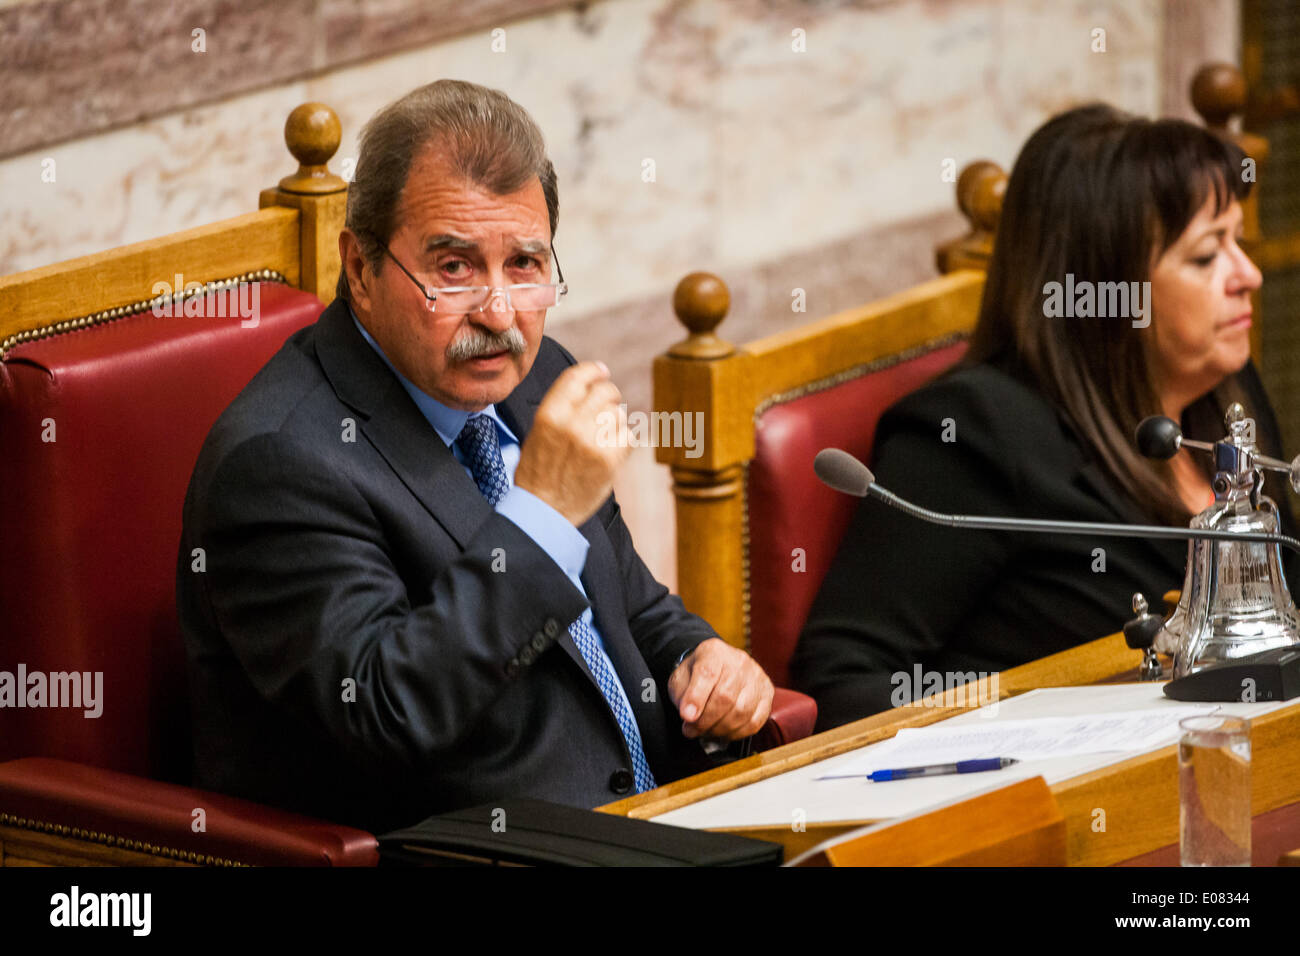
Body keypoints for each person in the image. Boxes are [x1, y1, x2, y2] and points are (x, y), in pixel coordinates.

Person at [177, 79, 773, 833]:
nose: (497, 314)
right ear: (360, 269)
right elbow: (386, 708)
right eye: (453, 268)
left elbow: (626, 603)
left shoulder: (540, 378)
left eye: (524, 263)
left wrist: (700, 658)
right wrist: (543, 511)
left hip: (659, 827)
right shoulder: (280, 465)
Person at [791, 103, 1295, 731]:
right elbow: (843, 676)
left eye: (1238, 242)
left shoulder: (1225, 397)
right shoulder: (973, 432)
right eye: (1205, 256)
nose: (1247, 275)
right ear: (1108, 288)